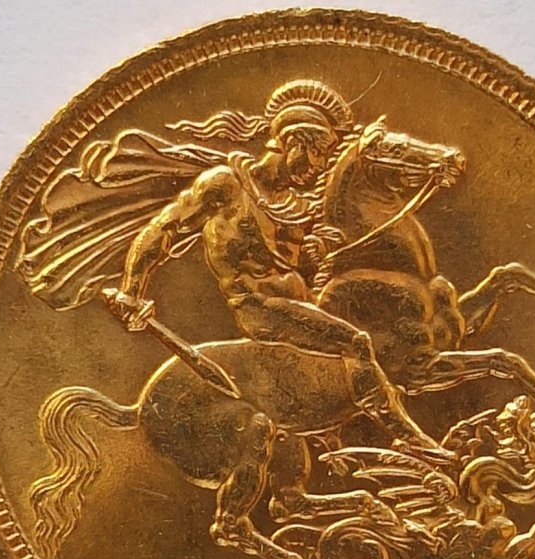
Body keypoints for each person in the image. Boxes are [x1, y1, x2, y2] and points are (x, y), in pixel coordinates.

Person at [111, 79, 439, 450]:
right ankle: (410, 439)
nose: (319, 167)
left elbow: (302, 270)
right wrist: (130, 292)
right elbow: (163, 229)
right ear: (295, 143)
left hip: (301, 304)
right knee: (357, 343)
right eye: (318, 153)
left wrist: (319, 256)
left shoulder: (296, 207)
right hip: (260, 308)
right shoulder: (227, 185)